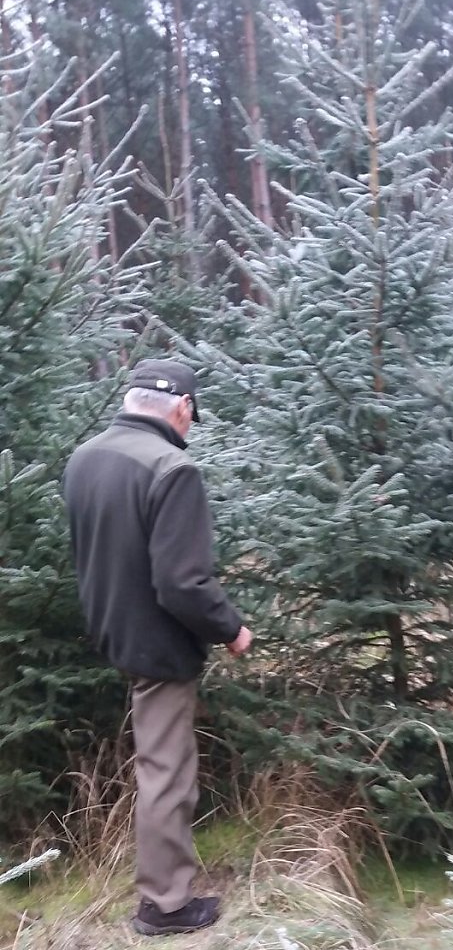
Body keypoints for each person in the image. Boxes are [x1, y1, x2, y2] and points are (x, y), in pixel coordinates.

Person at [63, 359, 252, 935]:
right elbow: (183, 583)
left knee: (156, 764)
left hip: (115, 629)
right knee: (167, 772)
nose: (192, 426)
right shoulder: (172, 469)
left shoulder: (86, 456)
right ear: (181, 407)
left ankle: (163, 890)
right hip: (159, 643)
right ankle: (165, 905)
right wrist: (232, 629)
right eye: (194, 415)